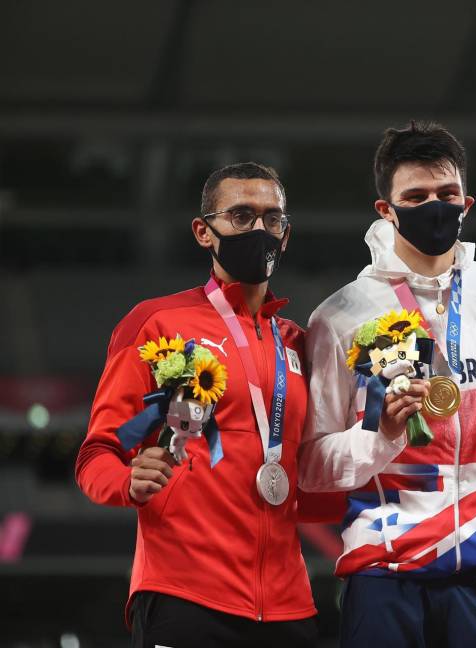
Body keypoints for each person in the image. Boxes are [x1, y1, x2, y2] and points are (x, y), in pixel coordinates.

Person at [76, 162, 420, 647]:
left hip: (287, 605)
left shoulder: (300, 343)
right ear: (203, 231)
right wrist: (126, 481)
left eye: (271, 218)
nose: (258, 230)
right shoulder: (156, 324)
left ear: (286, 233)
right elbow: (98, 453)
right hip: (184, 594)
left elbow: (317, 466)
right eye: (241, 215)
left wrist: (383, 429)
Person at [299, 121, 476, 647]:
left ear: (467, 202)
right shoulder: (341, 315)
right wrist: (380, 433)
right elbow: (312, 465)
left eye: (446, 194)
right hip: (384, 571)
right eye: (415, 197)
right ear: (385, 210)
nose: (434, 206)